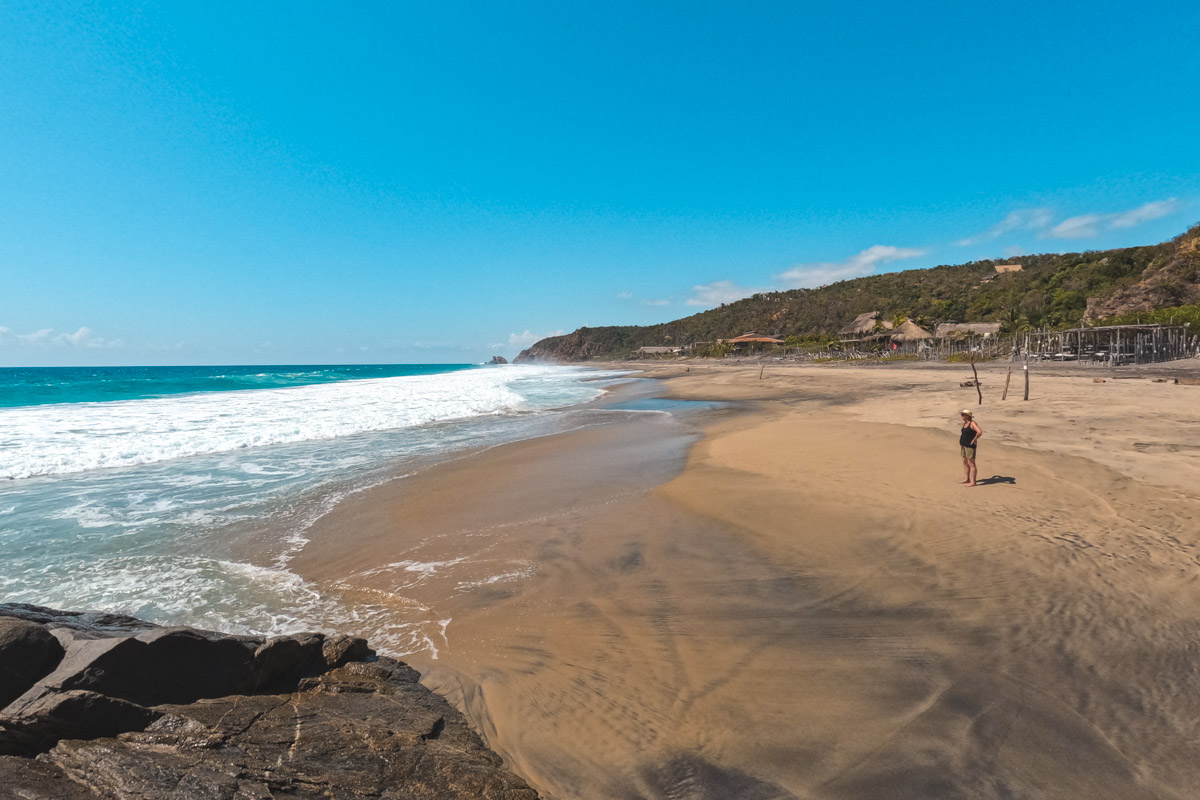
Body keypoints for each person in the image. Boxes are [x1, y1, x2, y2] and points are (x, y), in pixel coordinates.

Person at [959, 409, 982, 486]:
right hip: (963, 445)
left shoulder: (972, 423)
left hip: (970, 446)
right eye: (961, 414)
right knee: (965, 462)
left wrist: (974, 439)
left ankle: (973, 482)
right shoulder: (965, 423)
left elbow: (979, 432)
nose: (961, 416)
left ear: (967, 416)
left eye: (963, 415)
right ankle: (967, 479)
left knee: (971, 463)